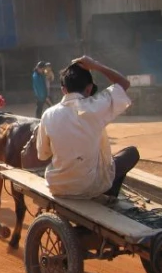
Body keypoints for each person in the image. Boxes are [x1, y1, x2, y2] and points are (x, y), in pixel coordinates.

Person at [36, 56, 139, 199]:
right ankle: (111, 194)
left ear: (63, 90)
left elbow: (43, 155)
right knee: (131, 153)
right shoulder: (95, 106)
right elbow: (124, 83)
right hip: (88, 187)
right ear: (89, 88)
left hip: (56, 185)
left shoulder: (47, 114)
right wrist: (96, 65)